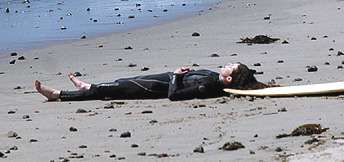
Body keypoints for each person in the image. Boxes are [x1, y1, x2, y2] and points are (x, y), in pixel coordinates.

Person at [35, 63, 269, 101]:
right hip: (158, 79)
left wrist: (177, 75)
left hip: (156, 88)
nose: (229, 62)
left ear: (229, 78)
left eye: (232, 66)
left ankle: (58, 95)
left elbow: (174, 95)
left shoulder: (209, 86)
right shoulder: (214, 79)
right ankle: (86, 86)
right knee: (119, 82)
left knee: (113, 90)